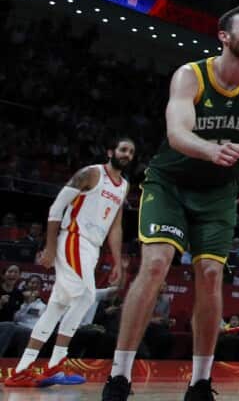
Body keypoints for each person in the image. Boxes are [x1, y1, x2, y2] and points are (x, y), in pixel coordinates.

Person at [101, 5, 239, 401]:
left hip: (218, 194)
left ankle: (200, 382)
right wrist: (210, 149)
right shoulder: (191, 75)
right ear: (223, 35)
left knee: (211, 275)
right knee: (155, 264)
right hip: (170, 184)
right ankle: (119, 375)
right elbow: (177, 132)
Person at [5, 136, 134, 387]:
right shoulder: (90, 174)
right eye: (123, 149)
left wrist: (116, 261)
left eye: (131, 152)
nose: (127, 154)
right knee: (86, 297)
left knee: (58, 305)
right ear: (111, 151)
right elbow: (56, 208)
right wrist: (50, 248)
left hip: (93, 247)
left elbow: (116, 227)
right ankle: (55, 365)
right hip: (73, 238)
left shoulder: (124, 186)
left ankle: (22, 369)